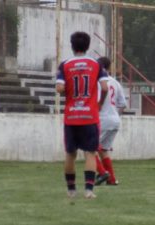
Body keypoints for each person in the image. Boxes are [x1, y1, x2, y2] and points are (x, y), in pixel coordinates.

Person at [56, 31, 108, 199]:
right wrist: (99, 104)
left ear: (72, 46)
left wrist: (69, 93)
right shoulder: (96, 64)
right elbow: (105, 87)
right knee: (90, 153)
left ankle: (71, 190)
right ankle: (89, 190)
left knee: (70, 153)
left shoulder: (64, 65)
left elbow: (60, 88)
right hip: (90, 116)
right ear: (87, 45)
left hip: (71, 116)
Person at [95, 57, 127, 186]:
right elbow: (123, 104)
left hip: (102, 119)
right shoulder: (115, 82)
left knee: (89, 147)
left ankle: (103, 173)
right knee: (104, 150)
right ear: (108, 68)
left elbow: (97, 102)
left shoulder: (98, 82)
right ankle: (112, 179)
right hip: (115, 120)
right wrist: (114, 115)